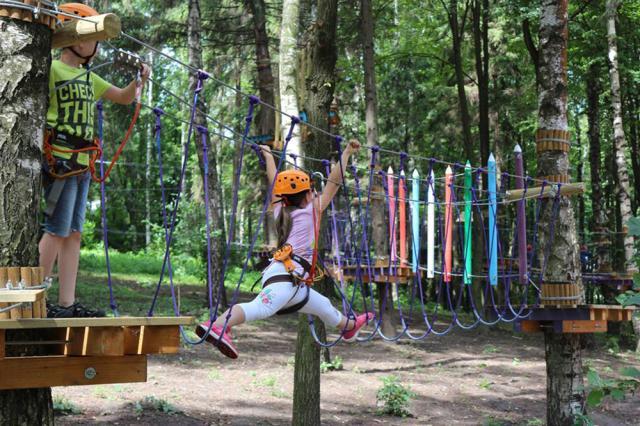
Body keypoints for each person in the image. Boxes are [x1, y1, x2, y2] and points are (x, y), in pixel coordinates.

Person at [196, 140, 374, 359]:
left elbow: (274, 181)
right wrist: (346, 153)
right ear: (308, 195)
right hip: (286, 275)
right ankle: (217, 325)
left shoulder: (281, 209)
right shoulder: (312, 209)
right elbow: (334, 182)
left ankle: (349, 326)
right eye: (311, 190)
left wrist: (269, 157)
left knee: (324, 306)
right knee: (260, 308)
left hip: (291, 279)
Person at [40, 3, 150, 318]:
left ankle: (66, 302)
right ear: (73, 38)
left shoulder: (90, 79)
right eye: (93, 37)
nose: (97, 45)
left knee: (73, 232)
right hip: (60, 160)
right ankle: (37, 296)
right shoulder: (50, 69)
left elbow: (123, 97)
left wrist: (138, 81)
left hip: (83, 163)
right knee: (56, 228)